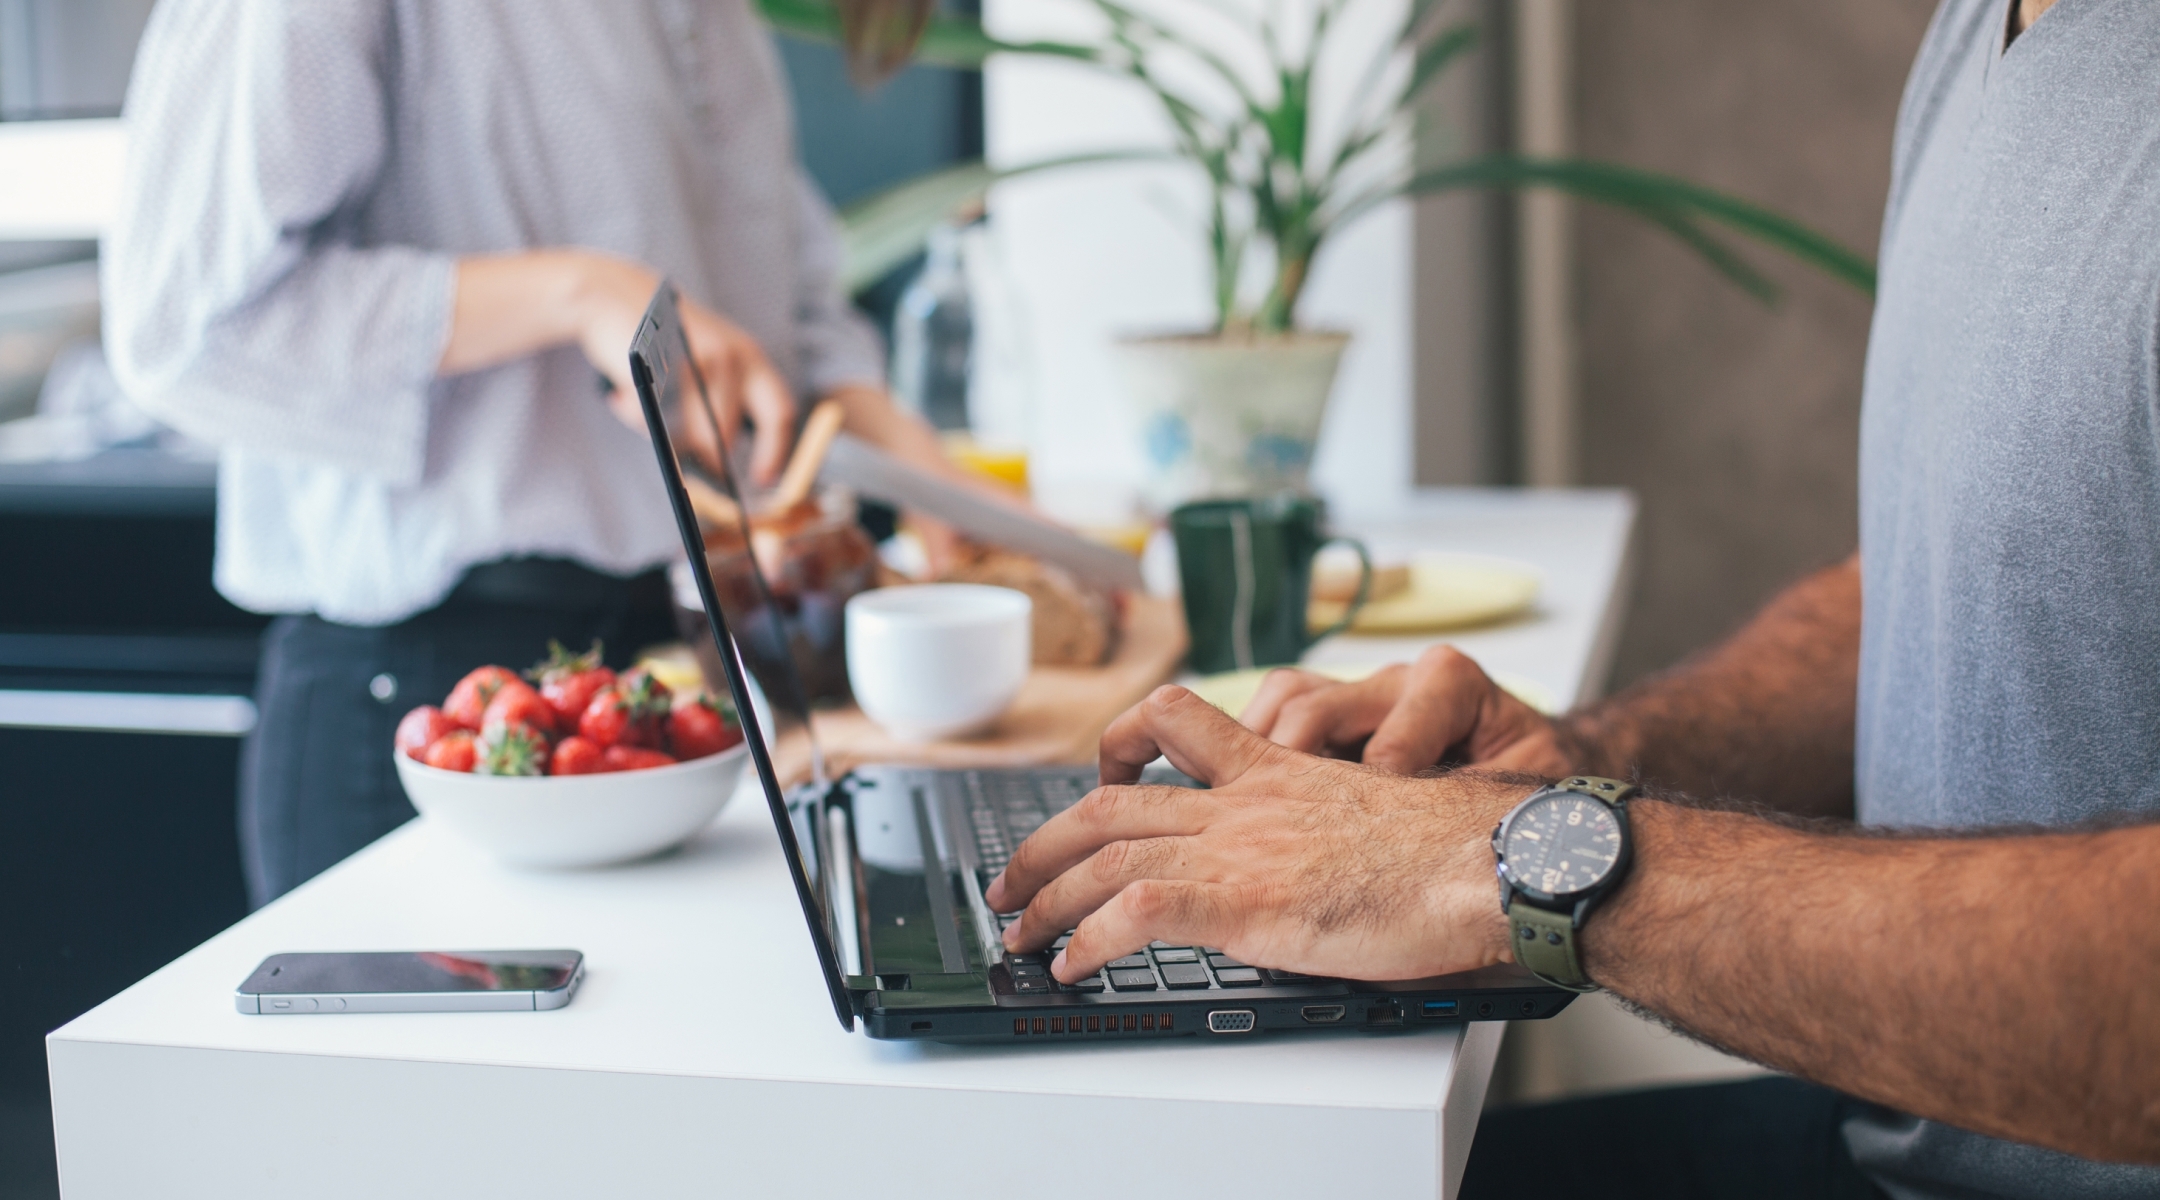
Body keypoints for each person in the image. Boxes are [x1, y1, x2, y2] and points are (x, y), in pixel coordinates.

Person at [985, 0, 2160, 1196]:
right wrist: (1573, 764)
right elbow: (1967, 580)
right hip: (1903, 1131)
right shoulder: (1987, 27)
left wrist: (1539, 868)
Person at [102, 0, 960, 906]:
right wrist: (578, 293)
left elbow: (771, 279)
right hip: (440, 696)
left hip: (677, 675)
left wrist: (899, 448)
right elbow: (188, 329)